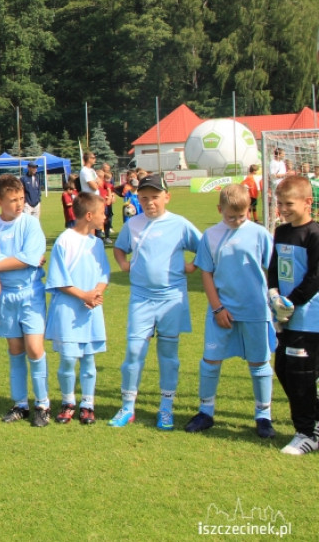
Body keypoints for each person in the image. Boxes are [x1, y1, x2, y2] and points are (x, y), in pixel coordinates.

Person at [109, 173, 202, 429]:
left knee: (169, 356)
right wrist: (123, 263)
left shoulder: (180, 224)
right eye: (144, 198)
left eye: (155, 197)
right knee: (133, 352)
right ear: (138, 199)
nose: (150, 203)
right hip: (141, 298)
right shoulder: (133, 224)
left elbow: (205, 247)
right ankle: (127, 406)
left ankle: (166, 408)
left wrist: (193, 266)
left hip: (171, 298)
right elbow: (119, 248)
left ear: (167, 198)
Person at [184, 184, 275, 438]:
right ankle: (206, 412)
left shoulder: (260, 234)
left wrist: (276, 300)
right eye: (230, 216)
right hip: (221, 312)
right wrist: (217, 307)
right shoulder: (210, 236)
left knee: (259, 364)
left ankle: (263, 415)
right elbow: (206, 273)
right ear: (219, 209)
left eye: (241, 216)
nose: (235, 221)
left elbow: (274, 269)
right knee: (210, 362)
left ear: (249, 210)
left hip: (255, 311)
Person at [0, 175, 50, 427]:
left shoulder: (31, 225)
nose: (19, 204)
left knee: (34, 348)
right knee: (15, 349)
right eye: (13, 200)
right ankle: (20, 404)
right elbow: (1, 264)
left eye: (21, 198)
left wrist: (0, 263)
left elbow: (28, 259)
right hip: (5, 296)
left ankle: (43, 404)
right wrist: (18, 259)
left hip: (31, 292)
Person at [45, 192, 110, 425]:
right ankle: (68, 401)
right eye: (103, 213)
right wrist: (83, 294)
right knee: (68, 359)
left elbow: (103, 273)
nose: (106, 217)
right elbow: (58, 279)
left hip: (91, 310)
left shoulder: (97, 243)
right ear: (90, 215)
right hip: (69, 311)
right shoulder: (65, 241)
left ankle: (88, 404)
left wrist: (97, 293)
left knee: (89, 360)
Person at [268, 176, 319, 455]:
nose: (283, 209)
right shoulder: (282, 231)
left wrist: (292, 302)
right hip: (284, 315)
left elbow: (316, 276)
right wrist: (273, 293)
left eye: (288, 203)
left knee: (301, 375)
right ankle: (314, 421)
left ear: (307, 202)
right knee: (285, 371)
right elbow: (274, 266)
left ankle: (306, 433)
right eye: (280, 203)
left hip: (309, 318)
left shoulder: (314, 234)